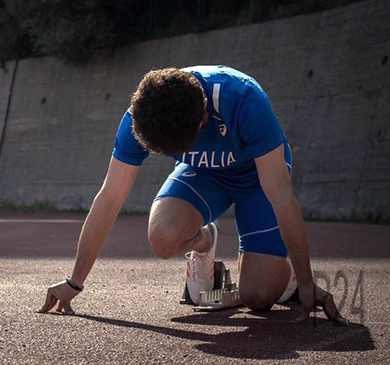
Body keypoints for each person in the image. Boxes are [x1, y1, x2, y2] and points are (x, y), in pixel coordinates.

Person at [37, 65, 344, 323]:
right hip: (205, 174)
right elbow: (110, 197)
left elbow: (280, 195)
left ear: (202, 119)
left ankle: (283, 278)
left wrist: (306, 280)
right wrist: (74, 282)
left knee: (259, 299)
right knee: (162, 239)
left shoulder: (246, 101)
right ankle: (205, 239)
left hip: (257, 177)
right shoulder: (142, 114)